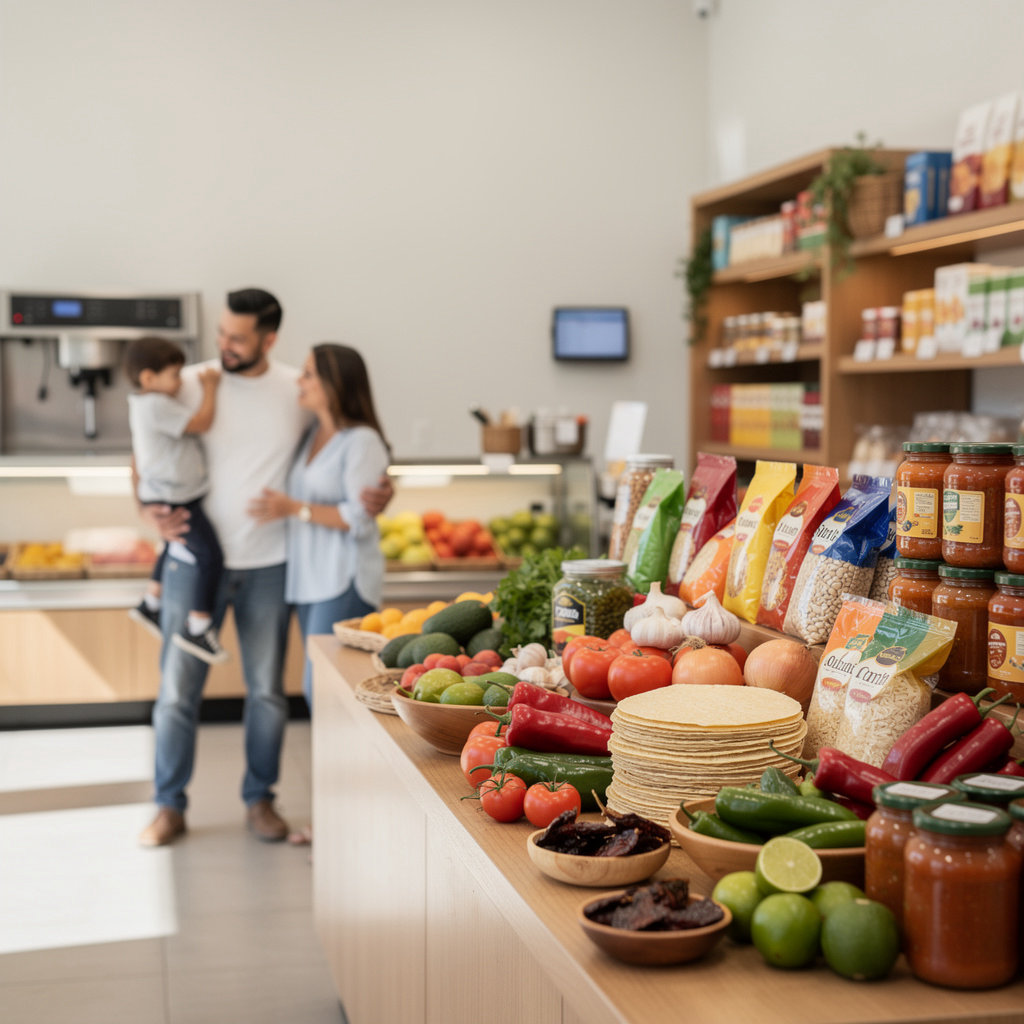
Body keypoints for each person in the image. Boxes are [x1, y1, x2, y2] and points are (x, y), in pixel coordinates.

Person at [137, 289, 393, 848]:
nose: (224, 345)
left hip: (272, 567)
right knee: (177, 691)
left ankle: (260, 799)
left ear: (268, 339)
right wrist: (146, 508)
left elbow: (347, 444)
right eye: (221, 333)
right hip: (193, 562)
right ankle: (167, 805)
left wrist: (380, 491)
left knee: (267, 694)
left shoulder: (294, 391)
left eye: (237, 337)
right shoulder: (191, 382)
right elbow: (143, 445)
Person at [124, 335, 228, 665]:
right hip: (175, 496)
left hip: (165, 493)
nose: (180, 382)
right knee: (210, 556)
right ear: (148, 378)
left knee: (170, 544)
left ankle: (150, 603)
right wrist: (210, 387)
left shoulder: (142, 403)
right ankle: (198, 625)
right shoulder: (156, 404)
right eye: (174, 375)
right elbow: (202, 423)